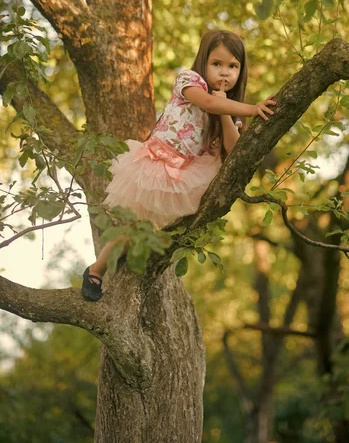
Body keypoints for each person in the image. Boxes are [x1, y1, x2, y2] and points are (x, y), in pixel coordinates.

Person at [81, 29, 276, 300]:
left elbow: (232, 150)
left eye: (233, 66)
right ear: (203, 62)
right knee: (133, 225)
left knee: (155, 228)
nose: (224, 73)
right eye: (217, 64)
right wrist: (252, 108)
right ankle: (96, 268)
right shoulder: (189, 80)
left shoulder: (230, 108)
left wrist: (227, 112)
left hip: (185, 171)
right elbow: (207, 102)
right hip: (156, 162)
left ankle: (131, 252)